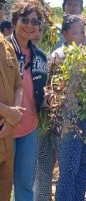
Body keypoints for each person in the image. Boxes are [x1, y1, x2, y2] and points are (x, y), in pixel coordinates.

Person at [49, 15, 86, 200]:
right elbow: (52, 90)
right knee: (69, 171)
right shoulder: (57, 56)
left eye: (82, 32)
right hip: (68, 123)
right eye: (75, 32)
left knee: (83, 168)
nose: (79, 36)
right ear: (64, 34)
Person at [6, 0, 48, 201]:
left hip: (30, 128)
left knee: (25, 185)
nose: (29, 26)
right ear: (14, 21)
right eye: (25, 20)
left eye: (35, 22)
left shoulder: (40, 56)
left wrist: (48, 98)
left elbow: (39, 89)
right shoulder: (4, 50)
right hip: (5, 126)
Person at [0, 29, 24, 201]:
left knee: (4, 192)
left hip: (6, 134)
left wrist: (13, 117)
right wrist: (8, 112)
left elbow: (18, 85)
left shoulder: (7, 45)